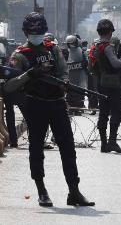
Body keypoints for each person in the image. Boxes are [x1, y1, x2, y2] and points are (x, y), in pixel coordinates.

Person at [3, 12, 94, 207]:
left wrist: (64, 82)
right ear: (26, 32)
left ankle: (74, 191)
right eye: (33, 32)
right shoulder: (19, 55)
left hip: (57, 103)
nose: (37, 35)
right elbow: (9, 86)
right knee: (36, 149)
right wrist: (30, 74)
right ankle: (42, 190)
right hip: (36, 104)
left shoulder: (53, 49)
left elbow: (63, 71)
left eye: (40, 31)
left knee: (68, 147)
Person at [89, 19, 121, 154]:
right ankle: (112, 142)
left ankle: (104, 144)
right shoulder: (107, 47)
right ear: (110, 32)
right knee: (118, 111)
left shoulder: (94, 46)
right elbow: (116, 64)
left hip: (100, 82)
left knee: (103, 113)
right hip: (113, 83)